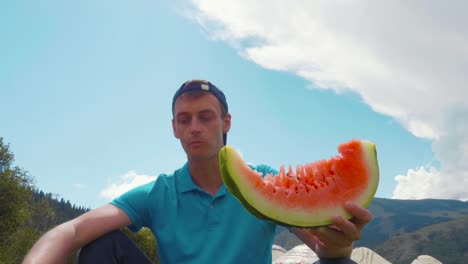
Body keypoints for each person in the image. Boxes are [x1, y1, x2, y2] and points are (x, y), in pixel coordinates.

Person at [23, 79, 372, 264]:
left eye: (205, 116)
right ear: (174, 128)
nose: (194, 127)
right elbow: (71, 231)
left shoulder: (266, 180)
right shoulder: (158, 193)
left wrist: (337, 245)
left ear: (226, 122)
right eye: (184, 119)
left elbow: (320, 245)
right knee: (102, 247)